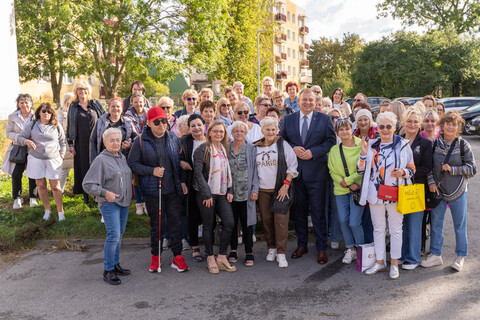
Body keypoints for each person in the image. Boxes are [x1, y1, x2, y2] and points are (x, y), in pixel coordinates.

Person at [128, 107, 189, 273]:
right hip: (153, 191)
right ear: (149, 123)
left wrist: (182, 179)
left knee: (175, 224)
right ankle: (156, 257)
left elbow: (180, 160)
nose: (161, 124)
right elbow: (132, 164)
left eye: (164, 121)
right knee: (158, 226)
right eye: (157, 122)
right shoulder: (140, 141)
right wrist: (151, 170)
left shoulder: (173, 138)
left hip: (173, 190)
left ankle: (178, 257)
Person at [281, 88, 336, 264]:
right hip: (296, 175)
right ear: (299, 101)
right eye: (304, 100)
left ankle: (321, 248)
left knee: (319, 213)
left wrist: (314, 152)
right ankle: (302, 244)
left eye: (311, 100)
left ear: (315, 101)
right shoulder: (288, 119)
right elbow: (281, 140)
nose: (307, 103)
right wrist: (293, 148)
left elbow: (331, 141)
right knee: (300, 212)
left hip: (317, 174)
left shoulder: (325, 119)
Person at [357, 111, 415, 279]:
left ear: (395, 128)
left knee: (396, 229)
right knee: (378, 228)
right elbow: (360, 169)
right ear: (377, 128)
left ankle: (394, 263)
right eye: (381, 127)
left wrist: (403, 172)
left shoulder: (404, 145)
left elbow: (412, 168)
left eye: (388, 126)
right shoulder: (371, 145)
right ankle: (380, 262)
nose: (385, 130)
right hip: (375, 193)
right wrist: (362, 154)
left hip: (395, 192)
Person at [421, 111, 476, 272]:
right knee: (436, 224)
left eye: (454, 124)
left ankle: (460, 256)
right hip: (439, 192)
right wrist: (431, 183)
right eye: (448, 123)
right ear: (442, 126)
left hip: (459, 191)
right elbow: (429, 167)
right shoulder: (435, 144)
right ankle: (436, 254)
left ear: (458, 127)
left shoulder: (463, 145)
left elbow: (472, 169)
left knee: (460, 225)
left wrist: (453, 169)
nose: (451, 127)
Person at [82, 128, 132, 285]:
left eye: (118, 140)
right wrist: (105, 193)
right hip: (110, 204)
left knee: (119, 236)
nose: (116, 143)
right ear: (104, 142)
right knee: (113, 236)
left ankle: (116, 265)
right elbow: (87, 184)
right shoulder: (101, 160)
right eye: (112, 140)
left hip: (123, 203)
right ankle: (108, 270)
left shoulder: (121, 157)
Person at [193, 120, 236, 274]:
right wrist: (207, 193)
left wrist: (230, 189)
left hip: (222, 192)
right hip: (207, 194)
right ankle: (210, 257)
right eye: (215, 131)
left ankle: (222, 256)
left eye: (221, 132)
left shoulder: (223, 149)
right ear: (209, 132)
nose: (218, 134)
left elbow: (226, 171)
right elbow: (198, 173)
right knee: (208, 225)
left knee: (230, 223)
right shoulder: (202, 149)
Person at [256, 117, 298, 268]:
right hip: (263, 190)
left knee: (280, 221)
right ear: (262, 130)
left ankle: (281, 253)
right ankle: (271, 248)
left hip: (280, 189)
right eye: (267, 129)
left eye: (273, 129)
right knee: (267, 220)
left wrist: (286, 185)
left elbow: (292, 166)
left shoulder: (283, 144)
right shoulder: (256, 146)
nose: (271, 132)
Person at [18, 102, 66, 221]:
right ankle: (47, 210)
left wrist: (61, 156)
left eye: (49, 111)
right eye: (44, 111)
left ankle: (61, 212)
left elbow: (63, 142)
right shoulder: (32, 124)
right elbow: (19, 137)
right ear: (39, 112)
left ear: (52, 114)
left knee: (56, 187)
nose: (46, 113)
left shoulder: (56, 125)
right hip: (36, 159)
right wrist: (26, 142)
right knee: (41, 185)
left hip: (53, 160)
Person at [328, 118, 364, 264]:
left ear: (352, 129)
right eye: (341, 129)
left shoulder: (362, 145)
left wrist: (349, 181)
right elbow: (332, 171)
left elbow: (364, 167)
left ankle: (361, 250)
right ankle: (350, 249)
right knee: (343, 220)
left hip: (358, 188)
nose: (344, 132)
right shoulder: (334, 150)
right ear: (337, 133)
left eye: (347, 128)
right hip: (341, 189)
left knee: (354, 222)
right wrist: (346, 183)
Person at [400, 108, 433, 270]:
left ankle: (413, 258)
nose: (412, 124)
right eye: (409, 121)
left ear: (419, 124)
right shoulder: (397, 140)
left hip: (417, 189)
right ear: (403, 122)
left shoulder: (425, 144)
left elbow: (427, 167)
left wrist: (407, 173)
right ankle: (402, 254)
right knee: (401, 223)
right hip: (399, 189)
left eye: (415, 122)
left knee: (414, 224)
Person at [67, 79, 105, 204]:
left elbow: (105, 118)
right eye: (79, 89)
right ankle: (86, 195)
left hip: (97, 141)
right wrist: (70, 143)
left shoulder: (95, 104)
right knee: (84, 167)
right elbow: (70, 125)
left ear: (88, 91)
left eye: (84, 89)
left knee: (96, 166)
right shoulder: (73, 106)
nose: (82, 91)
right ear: (76, 91)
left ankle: (97, 195)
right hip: (81, 142)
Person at [227, 121, 259, 267]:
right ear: (232, 133)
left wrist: (255, 189)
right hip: (230, 193)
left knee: (247, 224)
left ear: (246, 133)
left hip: (247, 192)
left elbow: (257, 171)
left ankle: (249, 252)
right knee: (232, 223)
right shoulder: (226, 148)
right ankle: (233, 250)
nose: (239, 133)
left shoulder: (252, 148)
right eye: (236, 131)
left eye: (242, 131)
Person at [2, 94, 38, 209]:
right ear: (18, 104)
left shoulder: (36, 116)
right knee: (16, 173)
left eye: (26, 102)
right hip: (18, 148)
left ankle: (33, 197)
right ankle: (17, 198)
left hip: (33, 148)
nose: (24, 104)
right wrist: (22, 139)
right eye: (21, 102)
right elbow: (9, 133)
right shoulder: (13, 116)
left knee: (33, 173)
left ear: (31, 103)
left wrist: (30, 141)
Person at [179, 114, 206, 262]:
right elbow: (177, 158)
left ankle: (209, 248)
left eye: (199, 125)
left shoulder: (211, 139)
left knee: (209, 218)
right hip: (192, 185)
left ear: (204, 125)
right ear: (189, 128)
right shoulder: (184, 141)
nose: (196, 128)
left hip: (209, 185)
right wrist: (181, 162)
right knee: (193, 217)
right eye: (193, 126)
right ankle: (195, 247)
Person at [90, 98, 137, 164]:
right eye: (113, 106)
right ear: (108, 108)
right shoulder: (101, 121)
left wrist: (130, 145)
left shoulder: (128, 122)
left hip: (123, 159)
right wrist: (94, 161)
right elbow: (93, 140)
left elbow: (136, 138)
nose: (115, 108)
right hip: (105, 159)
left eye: (118, 106)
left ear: (122, 109)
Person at [57, 93, 75, 192]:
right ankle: (60, 189)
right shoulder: (61, 114)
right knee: (64, 169)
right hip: (66, 144)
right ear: (65, 101)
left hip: (76, 143)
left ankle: (78, 188)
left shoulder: (76, 111)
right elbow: (59, 130)